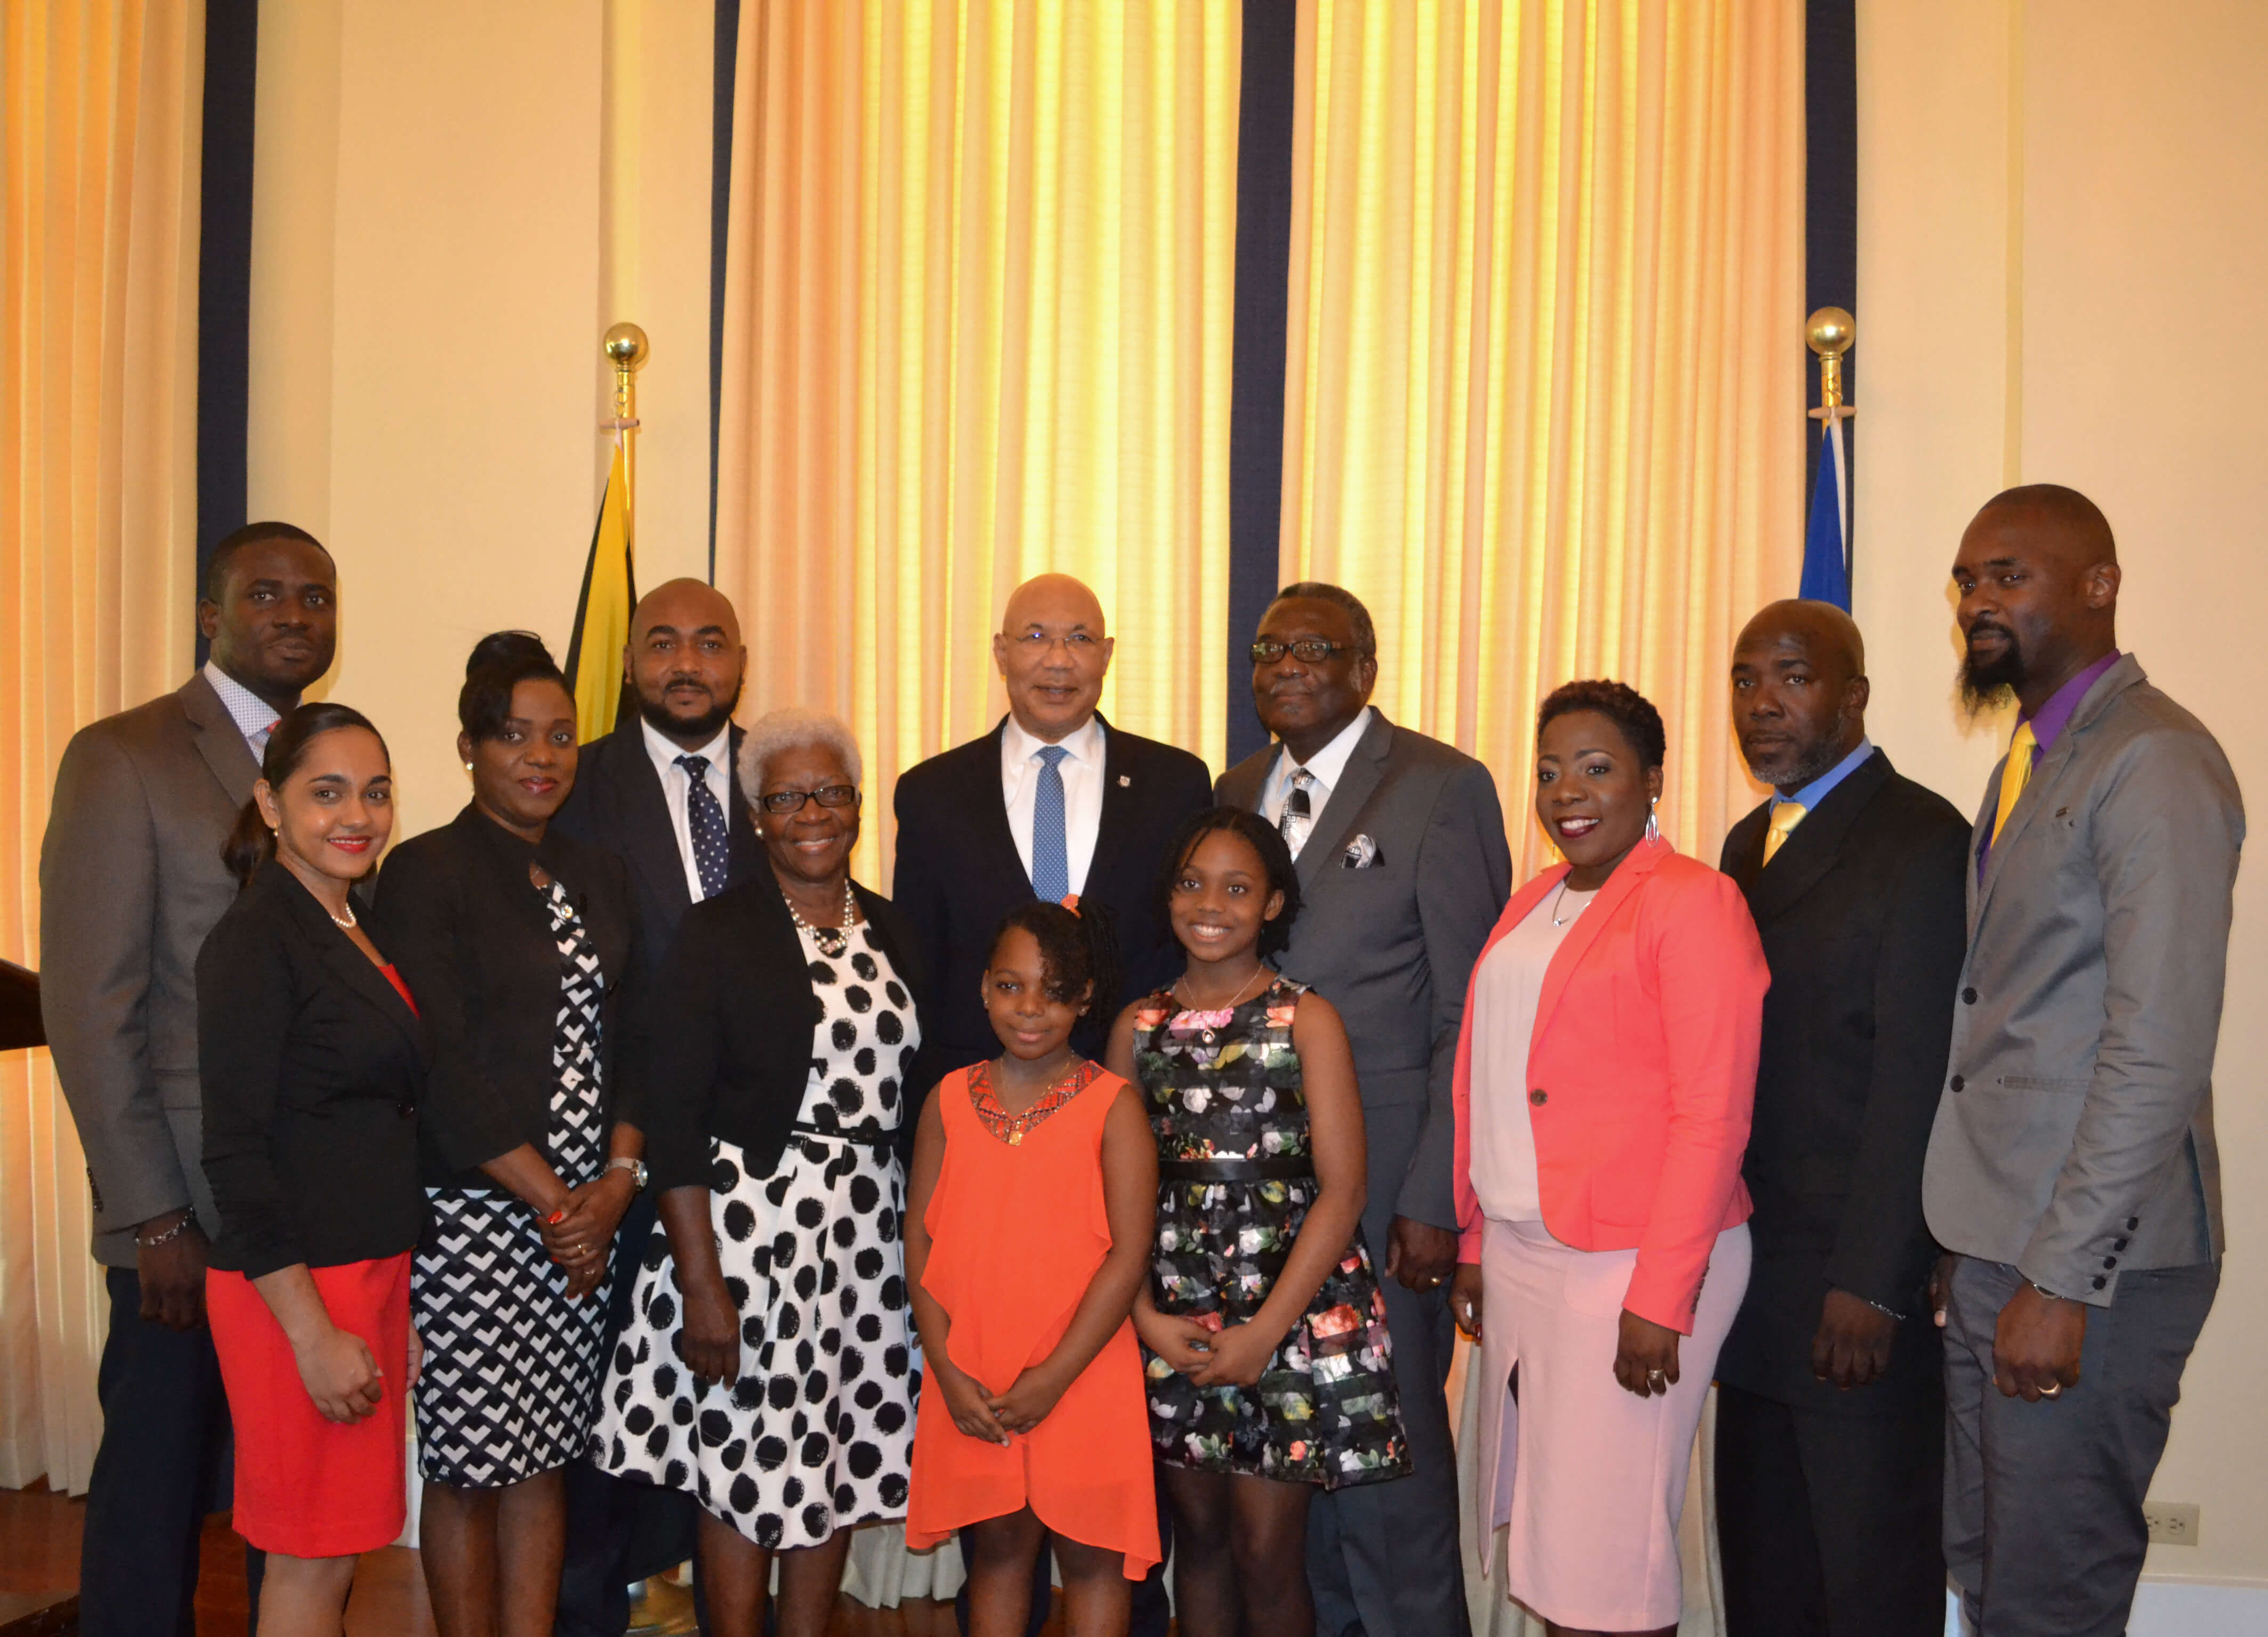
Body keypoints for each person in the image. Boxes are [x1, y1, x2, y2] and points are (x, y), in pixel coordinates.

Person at [1924, 484, 2242, 1637]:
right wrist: (1966, 1244)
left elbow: (2154, 1048)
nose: (1975, 601)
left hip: (2090, 1265)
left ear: (2098, 586)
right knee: (1987, 1566)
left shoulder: (2153, 759)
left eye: (2007, 575)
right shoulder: (2033, 752)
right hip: (2000, 1250)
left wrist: (2060, 1280)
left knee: (2049, 1595)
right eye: (1965, 580)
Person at [39, 518, 337, 1635]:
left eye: (316, 598)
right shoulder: (125, 756)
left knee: (285, 1500)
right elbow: (92, 1002)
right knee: (154, 1496)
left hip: (301, 1211)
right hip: (186, 1221)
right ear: (210, 616)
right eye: (267, 594)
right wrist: (151, 1211)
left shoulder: (329, 766)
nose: (294, 615)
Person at [892, 571, 1205, 1634]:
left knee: (1101, 1529)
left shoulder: (1173, 782)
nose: (1058, 657)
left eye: (1078, 637)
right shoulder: (932, 793)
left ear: (1108, 653)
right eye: (1036, 636)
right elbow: (927, 978)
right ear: (1000, 650)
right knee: (1000, 1541)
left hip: (1119, 1145)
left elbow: (1179, 961)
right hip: (987, 1160)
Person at [593, 708, 927, 1637]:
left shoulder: (898, 933)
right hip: (748, 1242)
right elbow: (676, 1113)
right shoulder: (716, 934)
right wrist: (702, 1282)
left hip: (864, 1247)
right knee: (742, 1471)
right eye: (787, 798)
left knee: (830, 1464)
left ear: (857, 805)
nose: (812, 813)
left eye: (830, 793)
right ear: (757, 816)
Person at [1215, 581, 1510, 1637]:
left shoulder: (1440, 786)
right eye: (1268, 650)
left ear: (1365, 668)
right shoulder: (1236, 784)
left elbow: (1465, 1014)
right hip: (1260, 1186)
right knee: (1299, 1445)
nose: (1287, 668)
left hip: (1390, 1186)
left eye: (1316, 650)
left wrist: (1435, 1194)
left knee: (1391, 1455)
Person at [1447, 679, 1767, 1637]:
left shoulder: (1694, 902)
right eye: (1549, 772)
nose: (1566, 792)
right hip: (1523, 1255)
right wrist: (1473, 1239)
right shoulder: (1533, 900)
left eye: (1596, 768)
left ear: (1652, 780)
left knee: (1607, 1567)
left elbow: (1712, 1117)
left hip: (1633, 1268)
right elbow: (1489, 1079)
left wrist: (1663, 1298)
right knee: (1552, 1551)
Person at [375, 633, 649, 1637]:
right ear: (469, 748)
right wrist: (555, 1205)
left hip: (585, 1219)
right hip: (478, 1221)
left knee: (546, 1456)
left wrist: (613, 1186)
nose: (542, 757)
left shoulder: (600, 873)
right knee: (468, 1467)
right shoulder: (424, 873)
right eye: (515, 736)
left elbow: (635, 1039)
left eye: (561, 737)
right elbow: (440, 1063)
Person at [1713, 602, 1968, 1636]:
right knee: (1767, 1572)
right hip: (1750, 1278)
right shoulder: (1744, 842)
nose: (1762, 703)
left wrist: (1874, 1280)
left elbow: (1919, 1075)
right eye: (1743, 679)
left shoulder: (1920, 837)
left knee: (1868, 1577)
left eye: (1791, 677)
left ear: (1853, 694)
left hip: (1851, 1290)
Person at [1108, 808, 1407, 1637]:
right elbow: (1109, 1196)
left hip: (1295, 1316)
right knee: (1198, 1542)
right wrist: (1143, 1322)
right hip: (1177, 1317)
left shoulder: (1306, 1019)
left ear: (1273, 903)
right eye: (1192, 883)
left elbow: (1343, 1191)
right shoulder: (1137, 1029)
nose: (1213, 903)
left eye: (1239, 888)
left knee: (1265, 1549)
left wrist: (1266, 1333)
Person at [552, 577, 761, 1635]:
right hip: (616, 1150)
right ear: (630, 661)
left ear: (740, 661)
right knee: (601, 1415)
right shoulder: (573, 784)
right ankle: (597, 1609)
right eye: (663, 642)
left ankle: (711, 1605)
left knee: (739, 1409)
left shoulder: (784, 782)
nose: (687, 663)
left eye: (709, 642)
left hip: (770, 1175)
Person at [197, 703, 425, 1636]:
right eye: (325, 793)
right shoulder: (256, 939)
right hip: (300, 1292)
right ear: (270, 803)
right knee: (305, 1559)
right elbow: (235, 1153)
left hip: (364, 1272)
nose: (356, 816)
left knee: (337, 1553)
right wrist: (310, 1334)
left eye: (374, 793)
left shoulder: (349, 920)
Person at [905, 904, 1161, 1637]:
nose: (1030, 1009)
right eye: (1012, 987)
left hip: (1081, 1372)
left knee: (1092, 1563)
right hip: (975, 1372)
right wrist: (947, 1369)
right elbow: (918, 1240)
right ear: (984, 988)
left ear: (1085, 998)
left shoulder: (1114, 1108)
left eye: (1053, 991)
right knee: (998, 1554)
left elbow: (1128, 1252)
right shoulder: (948, 1100)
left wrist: (1053, 1376)